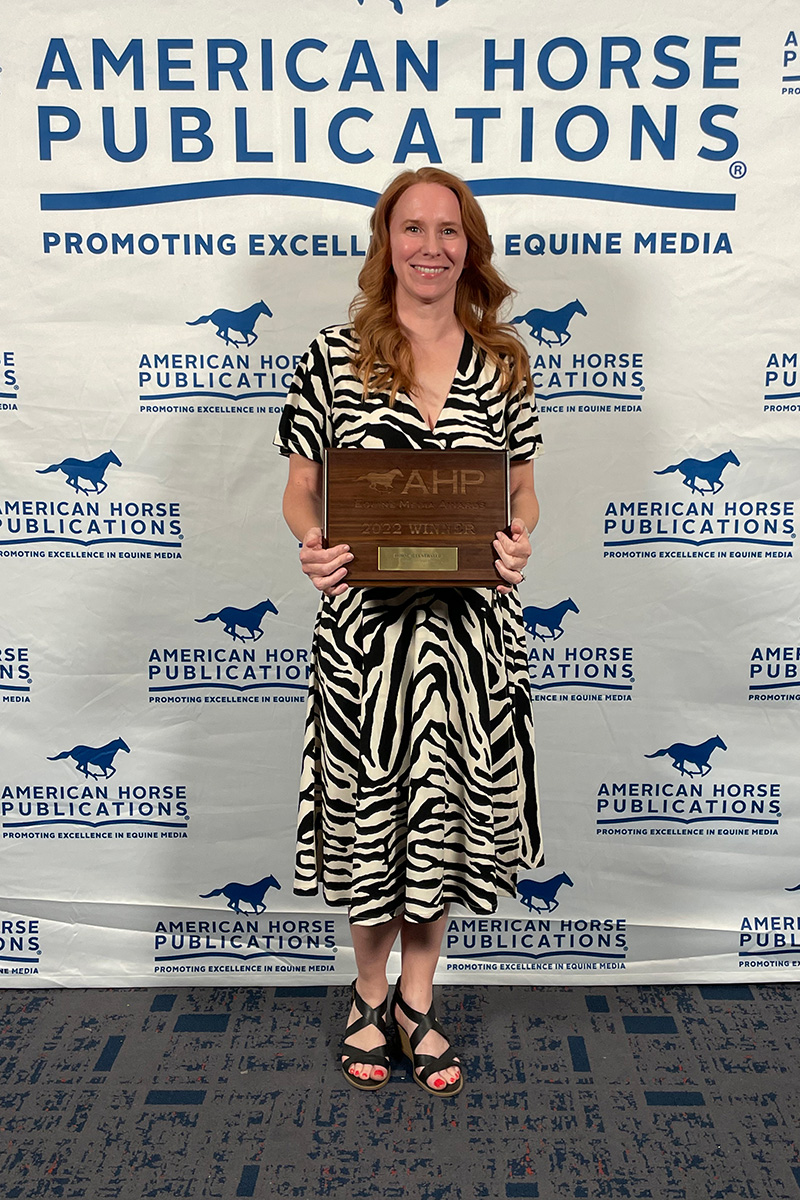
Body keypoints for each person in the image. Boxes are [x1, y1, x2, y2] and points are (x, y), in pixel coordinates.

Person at [275, 166, 543, 1096]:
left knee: (443, 828)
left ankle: (419, 999)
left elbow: (523, 490)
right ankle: (365, 992)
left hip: (470, 642)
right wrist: (312, 545)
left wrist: (517, 544)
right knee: (368, 824)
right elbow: (303, 489)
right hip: (366, 644)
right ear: (386, 242)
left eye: (449, 230)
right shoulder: (330, 354)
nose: (431, 246)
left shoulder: (505, 362)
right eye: (412, 228)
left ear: (470, 246)